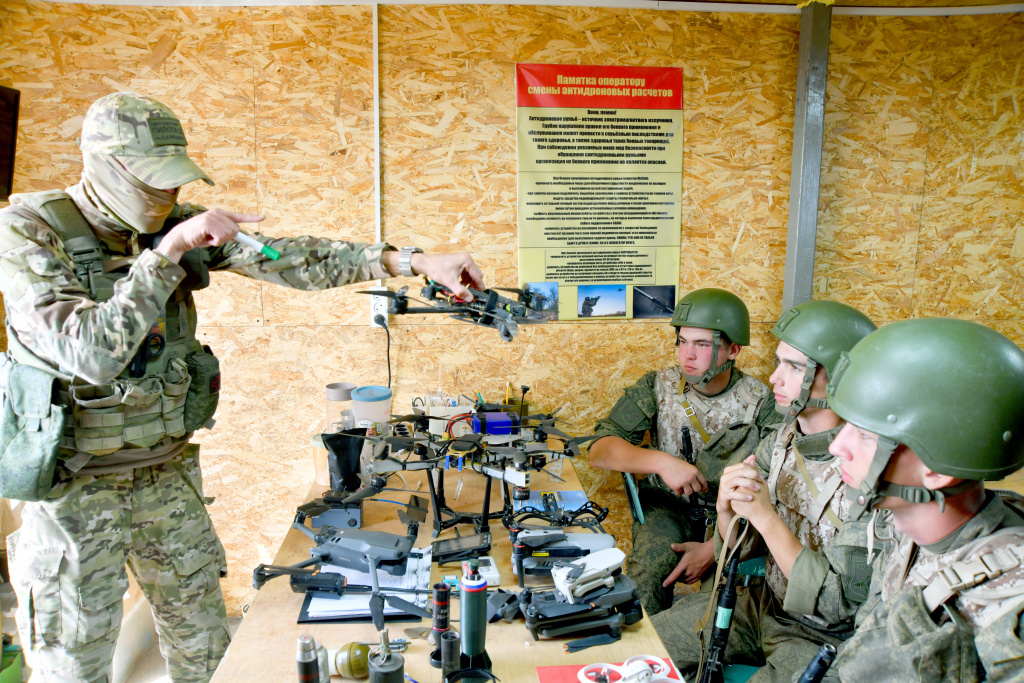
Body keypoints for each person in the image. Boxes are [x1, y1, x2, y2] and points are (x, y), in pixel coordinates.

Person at [0, 92, 485, 683]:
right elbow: (91, 353)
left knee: (208, 651)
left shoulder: (172, 222)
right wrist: (169, 252)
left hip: (164, 473)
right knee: (72, 666)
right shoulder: (28, 231)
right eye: (155, 181)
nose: (169, 196)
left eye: (175, 181)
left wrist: (411, 262)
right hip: (73, 489)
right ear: (107, 165)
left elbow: (290, 258)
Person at [650, 299, 877, 682]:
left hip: (823, 637)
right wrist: (728, 511)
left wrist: (765, 517)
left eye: (794, 367)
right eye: (778, 363)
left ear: (839, 377)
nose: (775, 378)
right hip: (764, 605)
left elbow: (837, 605)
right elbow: (741, 547)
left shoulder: (867, 467)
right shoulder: (783, 439)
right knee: (644, 649)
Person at [823, 318, 1024, 682]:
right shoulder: (904, 529)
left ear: (937, 471)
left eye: (866, 436)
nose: (837, 446)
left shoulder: (1009, 608)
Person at [588, 287, 776, 617]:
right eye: (682, 341)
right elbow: (600, 450)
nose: (687, 355)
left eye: (702, 344)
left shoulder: (762, 401)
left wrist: (714, 549)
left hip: (736, 519)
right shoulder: (657, 386)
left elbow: (778, 483)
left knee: (729, 602)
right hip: (669, 507)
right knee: (648, 571)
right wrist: (662, 463)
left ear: (733, 349)